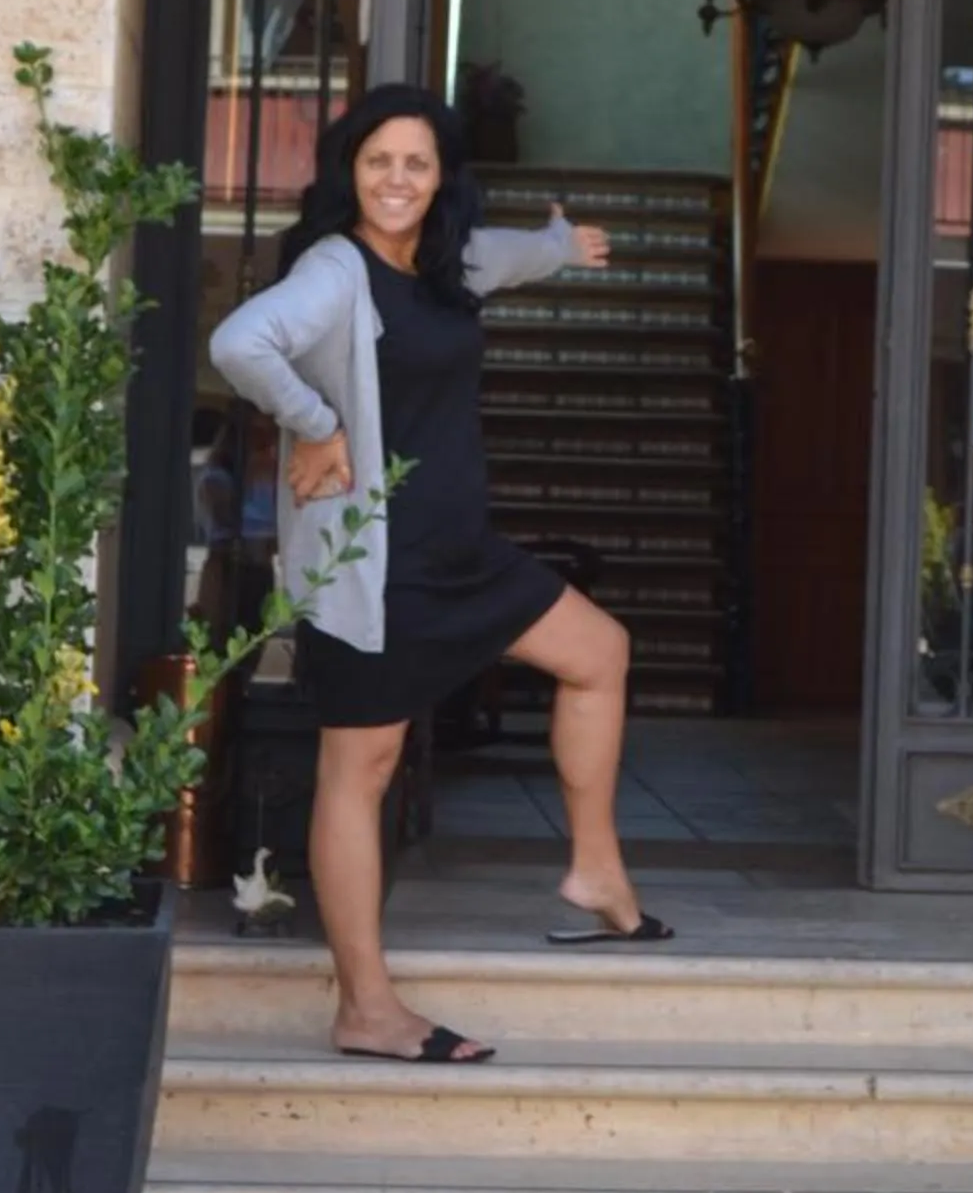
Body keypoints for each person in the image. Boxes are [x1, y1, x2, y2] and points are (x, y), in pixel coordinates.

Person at [210, 83, 670, 1067]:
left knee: (598, 652)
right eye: (378, 161)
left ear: (439, 177)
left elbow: (501, 255)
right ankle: (366, 1007)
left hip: (459, 553)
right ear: (350, 169)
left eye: (415, 164)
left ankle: (594, 873)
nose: (396, 180)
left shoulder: (443, 260)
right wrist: (317, 424)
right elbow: (238, 342)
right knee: (359, 769)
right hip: (376, 563)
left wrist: (560, 245)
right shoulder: (336, 271)